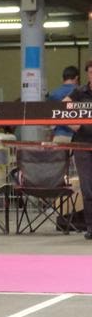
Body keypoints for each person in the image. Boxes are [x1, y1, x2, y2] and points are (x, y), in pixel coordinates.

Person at [63, 60, 92, 240]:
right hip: (82, 145)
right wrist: (72, 124)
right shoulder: (79, 92)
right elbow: (61, 108)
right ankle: (91, 227)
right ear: (87, 74)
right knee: (88, 188)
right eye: (91, 72)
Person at [48, 65, 79, 142]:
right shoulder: (81, 92)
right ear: (76, 78)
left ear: (63, 78)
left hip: (59, 135)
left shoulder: (54, 94)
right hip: (78, 136)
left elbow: (49, 117)